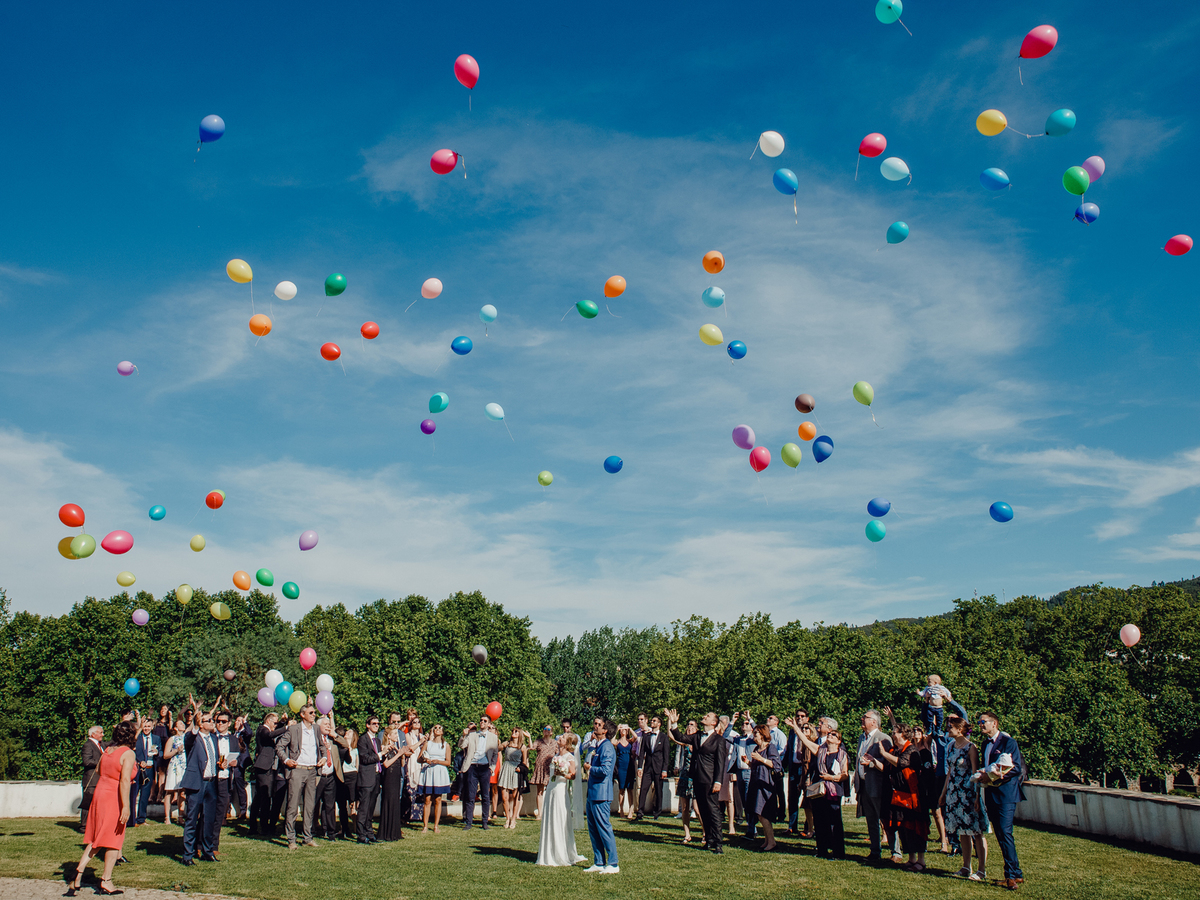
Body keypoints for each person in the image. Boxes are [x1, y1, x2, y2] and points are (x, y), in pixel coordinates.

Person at [66, 719, 137, 897]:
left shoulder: (107, 750)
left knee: (98, 838)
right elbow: (124, 781)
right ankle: (106, 880)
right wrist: (126, 806)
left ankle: (79, 872)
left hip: (100, 794)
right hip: (114, 797)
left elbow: (98, 770)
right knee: (114, 839)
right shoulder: (128, 753)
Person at [976, 711, 1026, 890]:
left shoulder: (1008, 742)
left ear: (994, 723)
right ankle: (1016, 872)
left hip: (1006, 794)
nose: (981, 725)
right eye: (979, 722)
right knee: (1000, 834)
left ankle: (1011, 876)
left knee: (1005, 833)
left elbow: (1015, 768)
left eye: (983, 722)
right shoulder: (985, 745)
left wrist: (993, 777)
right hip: (991, 794)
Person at [666, 708, 727, 854]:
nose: (704, 716)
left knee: (713, 811)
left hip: (711, 780)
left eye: (708, 715)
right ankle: (709, 840)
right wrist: (674, 724)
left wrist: (718, 781)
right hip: (697, 779)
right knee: (704, 811)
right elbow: (681, 738)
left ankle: (718, 842)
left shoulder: (719, 740)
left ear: (713, 722)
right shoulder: (698, 735)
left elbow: (720, 763)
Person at [939, 715, 988, 881]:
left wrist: (976, 797)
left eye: (950, 726)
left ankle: (981, 869)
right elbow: (950, 771)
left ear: (960, 729)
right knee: (962, 832)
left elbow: (975, 773)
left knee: (976, 831)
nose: (948, 729)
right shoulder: (951, 747)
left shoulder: (970, 748)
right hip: (954, 793)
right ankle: (966, 866)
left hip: (968, 793)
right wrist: (944, 793)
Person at [874, 722, 928, 871]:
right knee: (903, 827)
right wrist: (873, 762)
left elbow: (902, 763)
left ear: (903, 734)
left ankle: (921, 860)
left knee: (916, 827)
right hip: (898, 795)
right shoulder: (894, 750)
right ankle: (911, 858)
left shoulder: (911, 750)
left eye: (895, 732)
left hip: (912, 795)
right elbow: (887, 768)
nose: (893, 734)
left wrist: (884, 754)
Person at [277, 702, 328, 850]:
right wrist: (287, 760)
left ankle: (307, 837)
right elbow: (280, 746)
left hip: (312, 771)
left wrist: (324, 757)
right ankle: (291, 839)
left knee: (310, 806)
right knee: (292, 806)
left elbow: (322, 746)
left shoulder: (317, 729)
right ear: (302, 715)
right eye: (311, 713)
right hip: (297, 770)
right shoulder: (293, 729)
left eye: (314, 713)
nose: (314, 715)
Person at [535, 734, 586, 866]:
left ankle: (560, 853)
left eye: (563, 737)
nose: (560, 738)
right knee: (550, 818)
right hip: (551, 788)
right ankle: (548, 851)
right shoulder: (556, 755)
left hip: (560, 790)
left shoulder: (570, 757)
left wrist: (563, 773)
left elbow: (573, 775)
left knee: (559, 818)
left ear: (567, 742)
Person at [179, 703, 220, 865]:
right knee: (191, 819)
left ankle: (207, 851)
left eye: (212, 720)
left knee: (209, 819)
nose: (212, 722)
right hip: (197, 783)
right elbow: (188, 739)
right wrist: (195, 724)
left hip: (211, 782)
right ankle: (187, 855)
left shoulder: (214, 739)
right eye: (209, 720)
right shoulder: (193, 738)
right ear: (201, 724)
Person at [851, 709, 892, 861]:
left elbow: (889, 764)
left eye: (865, 717)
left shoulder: (883, 738)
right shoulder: (862, 738)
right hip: (864, 785)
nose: (862, 719)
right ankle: (875, 851)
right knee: (871, 820)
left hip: (878, 785)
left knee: (886, 820)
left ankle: (896, 852)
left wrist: (872, 764)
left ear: (874, 721)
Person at [582, 717, 619, 873]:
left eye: (599, 725)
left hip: (602, 794)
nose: (595, 727)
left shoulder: (607, 747)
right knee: (593, 829)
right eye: (595, 724)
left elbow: (605, 770)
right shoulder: (596, 746)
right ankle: (598, 862)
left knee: (604, 828)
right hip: (592, 793)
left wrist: (590, 768)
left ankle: (613, 863)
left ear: (605, 730)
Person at [209, 710, 242, 855]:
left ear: (229, 724)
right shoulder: (210, 738)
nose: (220, 724)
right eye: (218, 721)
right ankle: (199, 844)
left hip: (225, 780)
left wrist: (235, 762)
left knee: (220, 815)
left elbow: (238, 757)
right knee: (206, 814)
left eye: (223, 721)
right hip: (211, 780)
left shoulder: (234, 739)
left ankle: (214, 846)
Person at [248, 711, 287, 835]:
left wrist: (282, 722)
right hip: (264, 768)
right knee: (265, 797)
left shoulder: (267, 729)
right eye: (274, 723)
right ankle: (263, 827)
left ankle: (254, 826)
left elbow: (275, 731)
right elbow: (269, 735)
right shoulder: (262, 729)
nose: (275, 725)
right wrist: (286, 727)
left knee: (260, 797)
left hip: (267, 768)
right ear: (268, 721)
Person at [745, 724, 782, 851]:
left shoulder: (770, 748)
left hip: (766, 784)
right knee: (759, 813)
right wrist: (748, 762)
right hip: (756, 783)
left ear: (762, 734)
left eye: (756, 733)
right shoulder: (756, 748)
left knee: (763, 814)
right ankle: (767, 841)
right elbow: (756, 766)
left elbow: (776, 765)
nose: (754, 736)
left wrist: (761, 759)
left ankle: (772, 842)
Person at [459, 714, 499, 830]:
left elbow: (495, 754)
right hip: (472, 766)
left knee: (485, 796)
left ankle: (485, 822)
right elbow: (461, 745)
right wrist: (463, 735)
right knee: (471, 795)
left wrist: (492, 767)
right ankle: (469, 822)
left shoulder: (493, 737)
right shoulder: (472, 735)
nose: (482, 722)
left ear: (489, 724)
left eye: (485, 721)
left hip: (485, 767)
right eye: (481, 720)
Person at [378, 722, 413, 841]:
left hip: (397, 777)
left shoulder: (395, 747)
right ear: (388, 736)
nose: (396, 736)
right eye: (394, 734)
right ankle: (386, 832)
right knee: (389, 802)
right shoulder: (385, 747)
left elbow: (402, 763)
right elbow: (386, 764)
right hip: (389, 779)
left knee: (395, 803)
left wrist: (402, 754)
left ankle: (395, 831)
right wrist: (399, 754)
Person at [671, 720, 702, 844]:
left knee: (697, 808)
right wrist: (671, 721)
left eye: (692, 726)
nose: (689, 727)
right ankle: (687, 834)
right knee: (684, 808)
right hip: (685, 776)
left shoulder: (699, 742)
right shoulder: (684, 743)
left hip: (695, 776)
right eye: (688, 725)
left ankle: (705, 832)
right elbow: (672, 736)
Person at [418, 723, 452, 832]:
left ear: (442, 732)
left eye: (439, 728)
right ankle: (425, 826)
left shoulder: (445, 745)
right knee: (427, 799)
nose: (437, 729)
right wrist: (425, 760)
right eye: (435, 728)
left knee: (438, 799)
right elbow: (419, 758)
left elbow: (448, 762)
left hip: (439, 772)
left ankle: (436, 825)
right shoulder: (428, 744)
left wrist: (438, 761)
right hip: (429, 771)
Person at [783, 708, 811, 836]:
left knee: (808, 798)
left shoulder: (810, 731)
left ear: (807, 718)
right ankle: (792, 826)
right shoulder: (792, 732)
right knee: (792, 798)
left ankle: (808, 827)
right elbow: (789, 750)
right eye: (797, 716)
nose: (799, 718)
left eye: (802, 716)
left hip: (805, 767)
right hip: (794, 767)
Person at [355, 715, 383, 843]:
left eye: (377, 724)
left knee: (371, 808)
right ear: (368, 725)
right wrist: (380, 755)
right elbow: (365, 759)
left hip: (376, 777)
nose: (376, 725)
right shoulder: (363, 740)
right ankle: (361, 835)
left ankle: (370, 833)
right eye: (374, 723)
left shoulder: (377, 741)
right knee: (364, 808)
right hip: (366, 778)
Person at [636, 715, 669, 820]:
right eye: (652, 720)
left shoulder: (664, 737)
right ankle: (640, 812)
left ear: (659, 724)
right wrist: (640, 767)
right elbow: (642, 753)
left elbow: (666, 755)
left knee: (659, 791)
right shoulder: (646, 736)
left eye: (654, 721)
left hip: (659, 768)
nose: (652, 722)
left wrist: (665, 769)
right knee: (643, 790)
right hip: (648, 767)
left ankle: (657, 812)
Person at [130, 717, 160, 827]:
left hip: (150, 769)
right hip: (138, 769)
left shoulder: (156, 738)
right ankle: (131, 819)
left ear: (152, 727)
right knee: (133, 794)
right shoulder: (138, 738)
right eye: (145, 726)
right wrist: (139, 761)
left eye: (148, 726)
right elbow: (132, 748)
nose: (146, 728)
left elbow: (160, 751)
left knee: (145, 796)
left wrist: (157, 752)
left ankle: (141, 819)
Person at [498, 727, 530, 829]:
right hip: (506, 769)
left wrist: (521, 769)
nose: (513, 732)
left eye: (516, 731)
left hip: (516, 771)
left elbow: (524, 762)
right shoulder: (507, 743)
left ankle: (513, 819)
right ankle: (507, 818)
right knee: (504, 797)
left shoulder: (522, 747)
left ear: (519, 734)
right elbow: (497, 748)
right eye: (513, 731)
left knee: (516, 796)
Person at [162, 719, 188, 825]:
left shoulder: (187, 737)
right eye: (180, 724)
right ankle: (167, 817)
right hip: (174, 766)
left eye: (183, 723)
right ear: (175, 728)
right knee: (169, 791)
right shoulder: (172, 739)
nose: (183, 725)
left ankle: (180, 816)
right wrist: (176, 750)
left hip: (184, 766)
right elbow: (165, 755)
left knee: (182, 791)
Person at [80, 726, 105, 830]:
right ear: (93, 734)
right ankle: (84, 826)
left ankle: (94, 825)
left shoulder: (101, 744)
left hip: (99, 779)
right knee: (87, 803)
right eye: (100, 733)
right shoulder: (88, 745)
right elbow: (87, 761)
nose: (102, 735)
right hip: (91, 780)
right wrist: (102, 762)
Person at [530, 726, 557, 818]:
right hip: (540, 767)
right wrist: (529, 737)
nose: (546, 731)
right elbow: (531, 748)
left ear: (552, 733)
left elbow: (558, 753)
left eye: (549, 729)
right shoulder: (538, 741)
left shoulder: (554, 742)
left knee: (552, 790)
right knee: (540, 791)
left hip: (551, 768)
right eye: (545, 729)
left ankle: (551, 813)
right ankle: (540, 814)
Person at [151, 706, 173, 806]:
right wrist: (149, 715)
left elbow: (172, 730)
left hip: (165, 746)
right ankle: (152, 794)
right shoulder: (156, 721)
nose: (162, 710)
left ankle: (160, 794)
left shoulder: (168, 723)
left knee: (162, 772)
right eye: (161, 709)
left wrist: (171, 717)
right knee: (153, 771)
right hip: (155, 745)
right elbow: (148, 726)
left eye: (165, 709)